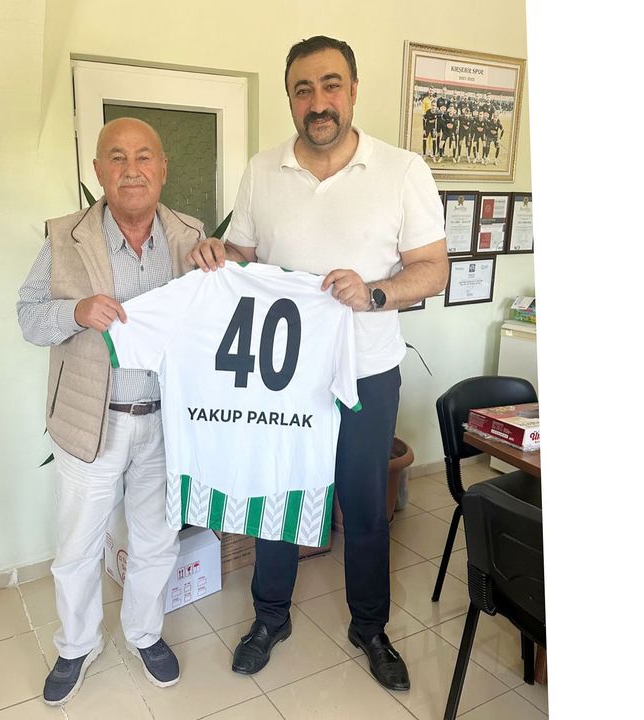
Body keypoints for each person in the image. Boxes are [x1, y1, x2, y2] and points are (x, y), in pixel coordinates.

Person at [186, 35, 448, 692]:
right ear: (290, 99)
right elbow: (245, 257)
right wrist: (221, 256)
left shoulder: (402, 171)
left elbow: (433, 269)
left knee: (363, 506)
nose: (318, 101)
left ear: (353, 91)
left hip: (366, 373)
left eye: (331, 85)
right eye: (303, 89)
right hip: (283, 377)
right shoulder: (262, 170)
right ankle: (269, 619)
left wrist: (376, 293)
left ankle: (370, 627)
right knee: (277, 494)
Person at [16, 117, 205, 706]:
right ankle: (77, 644)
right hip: (90, 421)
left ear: (163, 168)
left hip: (166, 422)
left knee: (156, 539)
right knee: (78, 545)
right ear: (97, 171)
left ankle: (144, 633)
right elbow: (28, 316)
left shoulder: (192, 236)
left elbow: (211, 321)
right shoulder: (64, 237)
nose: (131, 170)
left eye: (144, 156)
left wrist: (222, 265)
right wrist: (75, 312)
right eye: (117, 157)